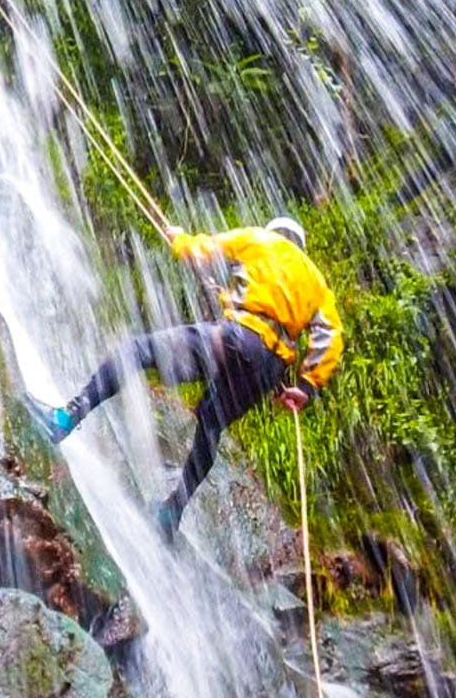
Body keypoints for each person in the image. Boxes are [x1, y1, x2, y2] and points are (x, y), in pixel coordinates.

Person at [26, 216, 344, 542]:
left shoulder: (261, 240)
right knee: (211, 423)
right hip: (268, 368)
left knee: (135, 352)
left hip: (236, 337)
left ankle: (65, 418)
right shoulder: (317, 284)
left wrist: (180, 240)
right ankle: (172, 512)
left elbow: (205, 250)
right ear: (301, 246)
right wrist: (306, 385)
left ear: (275, 231)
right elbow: (331, 335)